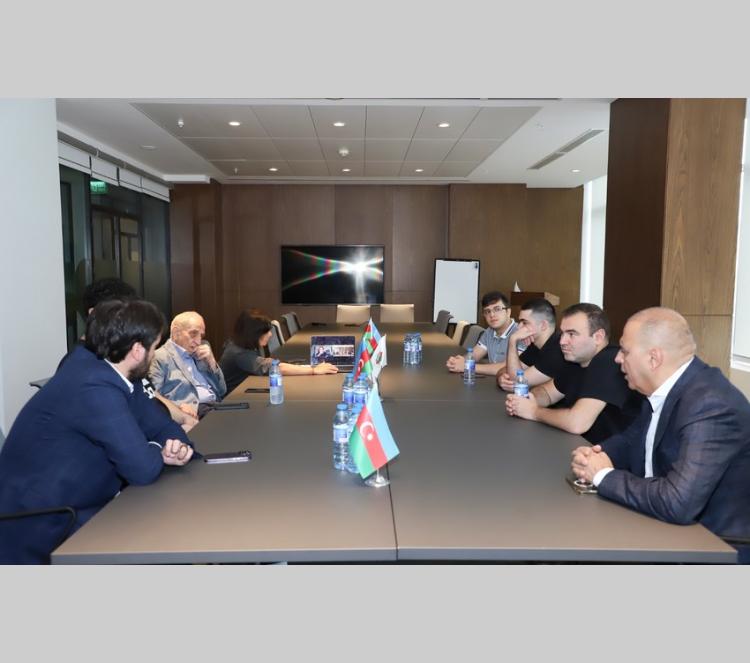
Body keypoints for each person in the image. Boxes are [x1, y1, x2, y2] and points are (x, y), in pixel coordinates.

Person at [0, 299, 195, 564]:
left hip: (82, 502)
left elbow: (163, 426)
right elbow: (142, 469)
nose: (155, 354)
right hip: (43, 523)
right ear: (137, 350)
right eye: (154, 347)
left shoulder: (119, 371)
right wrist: (160, 448)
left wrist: (177, 446)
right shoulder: (93, 384)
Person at [570, 307, 750, 563]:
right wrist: (597, 455)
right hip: (664, 526)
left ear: (653, 359)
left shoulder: (710, 404)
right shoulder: (665, 388)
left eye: (625, 351)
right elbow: (632, 439)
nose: (617, 359)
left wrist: (601, 475)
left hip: (713, 546)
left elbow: (679, 503)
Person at [66, 277, 199, 432]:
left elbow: (149, 393)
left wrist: (183, 418)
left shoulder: (118, 355)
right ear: (95, 314)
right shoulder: (83, 366)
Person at [505, 303, 642, 443]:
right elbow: (547, 393)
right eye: (562, 333)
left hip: (609, 453)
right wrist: (526, 400)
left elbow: (577, 423)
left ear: (598, 337)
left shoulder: (609, 360)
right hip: (580, 446)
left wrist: (534, 411)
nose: (562, 341)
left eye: (571, 334)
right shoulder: (576, 361)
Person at [219, 310, 338, 394]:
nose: (270, 334)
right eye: (266, 332)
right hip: (233, 398)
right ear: (253, 334)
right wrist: (313, 370)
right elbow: (276, 368)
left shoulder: (238, 343)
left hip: (242, 389)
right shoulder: (239, 354)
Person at [149, 311, 227, 417]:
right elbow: (152, 397)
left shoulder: (203, 351)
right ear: (176, 332)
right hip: (194, 413)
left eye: (201, 335)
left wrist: (212, 363)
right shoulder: (159, 357)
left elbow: (222, 390)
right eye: (193, 334)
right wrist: (177, 407)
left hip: (217, 406)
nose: (198, 341)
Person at [498, 298, 567, 392]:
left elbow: (517, 381)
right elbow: (506, 370)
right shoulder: (536, 345)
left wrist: (512, 341)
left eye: (524, 322)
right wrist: (500, 378)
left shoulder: (557, 350)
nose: (519, 327)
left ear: (543, 325)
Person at [446, 291, 519, 376]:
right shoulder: (489, 331)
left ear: (508, 312)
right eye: (487, 311)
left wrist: (467, 366)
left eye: (497, 309)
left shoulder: (520, 333)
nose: (492, 315)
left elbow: (508, 368)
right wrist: (458, 361)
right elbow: (475, 355)